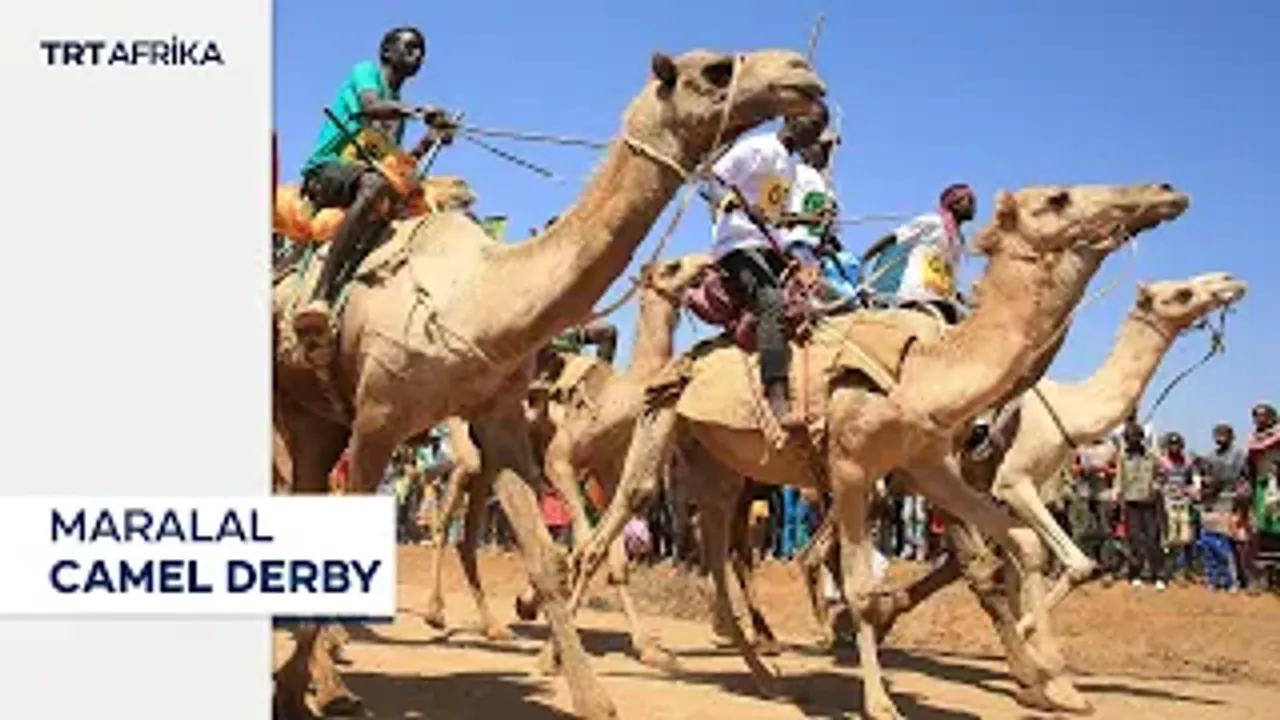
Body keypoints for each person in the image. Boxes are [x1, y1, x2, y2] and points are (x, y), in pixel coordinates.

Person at [293, 26, 449, 345]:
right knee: (375, 185)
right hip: (327, 172)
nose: (418, 55)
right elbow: (370, 105)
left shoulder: (398, 115)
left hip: (364, 180)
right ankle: (321, 294)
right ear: (387, 51)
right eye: (410, 47)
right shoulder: (365, 74)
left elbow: (395, 163)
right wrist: (419, 111)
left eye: (421, 51)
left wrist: (430, 140)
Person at [707, 103, 830, 428]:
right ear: (791, 116)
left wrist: (805, 219)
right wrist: (731, 204)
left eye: (820, 128)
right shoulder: (758, 147)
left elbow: (775, 215)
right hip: (738, 245)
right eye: (814, 123)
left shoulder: (790, 167)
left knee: (816, 301)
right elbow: (712, 180)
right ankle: (776, 396)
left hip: (770, 247)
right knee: (772, 302)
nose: (816, 133)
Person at [860, 183, 977, 323]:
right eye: (970, 201)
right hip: (919, 296)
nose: (974, 207)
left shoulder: (958, 240)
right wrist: (864, 259)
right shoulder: (932, 222)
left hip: (942, 299)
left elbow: (947, 275)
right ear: (955, 204)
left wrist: (963, 298)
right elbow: (894, 237)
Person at [781, 129, 853, 296]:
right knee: (818, 289)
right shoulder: (796, 173)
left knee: (850, 279)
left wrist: (831, 217)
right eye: (823, 147)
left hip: (820, 249)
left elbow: (830, 228)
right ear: (805, 149)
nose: (827, 153)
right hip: (798, 244)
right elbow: (782, 215)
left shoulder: (825, 183)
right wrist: (813, 217)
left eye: (829, 148)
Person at [1111, 421, 1166, 589]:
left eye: (1135, 437)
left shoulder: (1152, 456)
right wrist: (1116, 496)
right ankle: (1135, 574)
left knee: (1153, 538)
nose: (1132, 441)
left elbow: (1161, 474)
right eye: (1129, 438)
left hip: (1149, 502)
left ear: (1141, 438)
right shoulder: (1123, 457)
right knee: (1134, 539)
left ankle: (1158, 575)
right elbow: (1119, 478)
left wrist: (1156, 485)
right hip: (1131, 503)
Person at [1196, 423, 1247, 591]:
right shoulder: (1211, 456)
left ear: (1231, 437)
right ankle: (1213, 578)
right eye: (1217, 435)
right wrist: (1206, 486)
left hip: (1232, 500)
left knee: (1229, 544)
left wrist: (1241, 501)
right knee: (1210, 543)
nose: (1220, 438)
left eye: (1223, 434)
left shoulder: (1239, 455)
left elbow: (1245, 478)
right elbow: (1205, 478)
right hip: (1213, 503)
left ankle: (1234, 580)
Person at [1246, 403, 1280, 592]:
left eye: (1262, 415)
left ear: (1272, 417)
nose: (1258, 419)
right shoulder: (1254, 438)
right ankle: (1264, 576)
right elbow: (1252, 460)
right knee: (1263, 528)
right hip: (1262, 485)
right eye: (1256, 416)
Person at [1158, 432, 1199, 583]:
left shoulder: (1187, 462)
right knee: (1170, 536)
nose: (1174, 447)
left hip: (1184, 502)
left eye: (1177, 445)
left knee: (1185, 536)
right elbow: (1157, 480)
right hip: (1167, 502)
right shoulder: (1162, 461)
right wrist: (1161, 490)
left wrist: (1192, 491)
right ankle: (1171, 570)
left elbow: (1193, 480)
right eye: (1172, 444)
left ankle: (1184, 569)